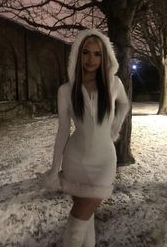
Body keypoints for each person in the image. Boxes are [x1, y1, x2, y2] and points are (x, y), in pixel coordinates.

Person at [42, 28, 130, 247]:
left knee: (75, 226)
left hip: (104, 163)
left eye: (97, 54)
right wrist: (54, 169)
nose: (91, 59)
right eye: (86, 53)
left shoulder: (114, 84)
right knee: (86, 220)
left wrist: (115, 126)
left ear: (105, 57)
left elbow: (125, 104)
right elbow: (63, 131)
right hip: (75, 160)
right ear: (77, 55)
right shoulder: (65, 91)